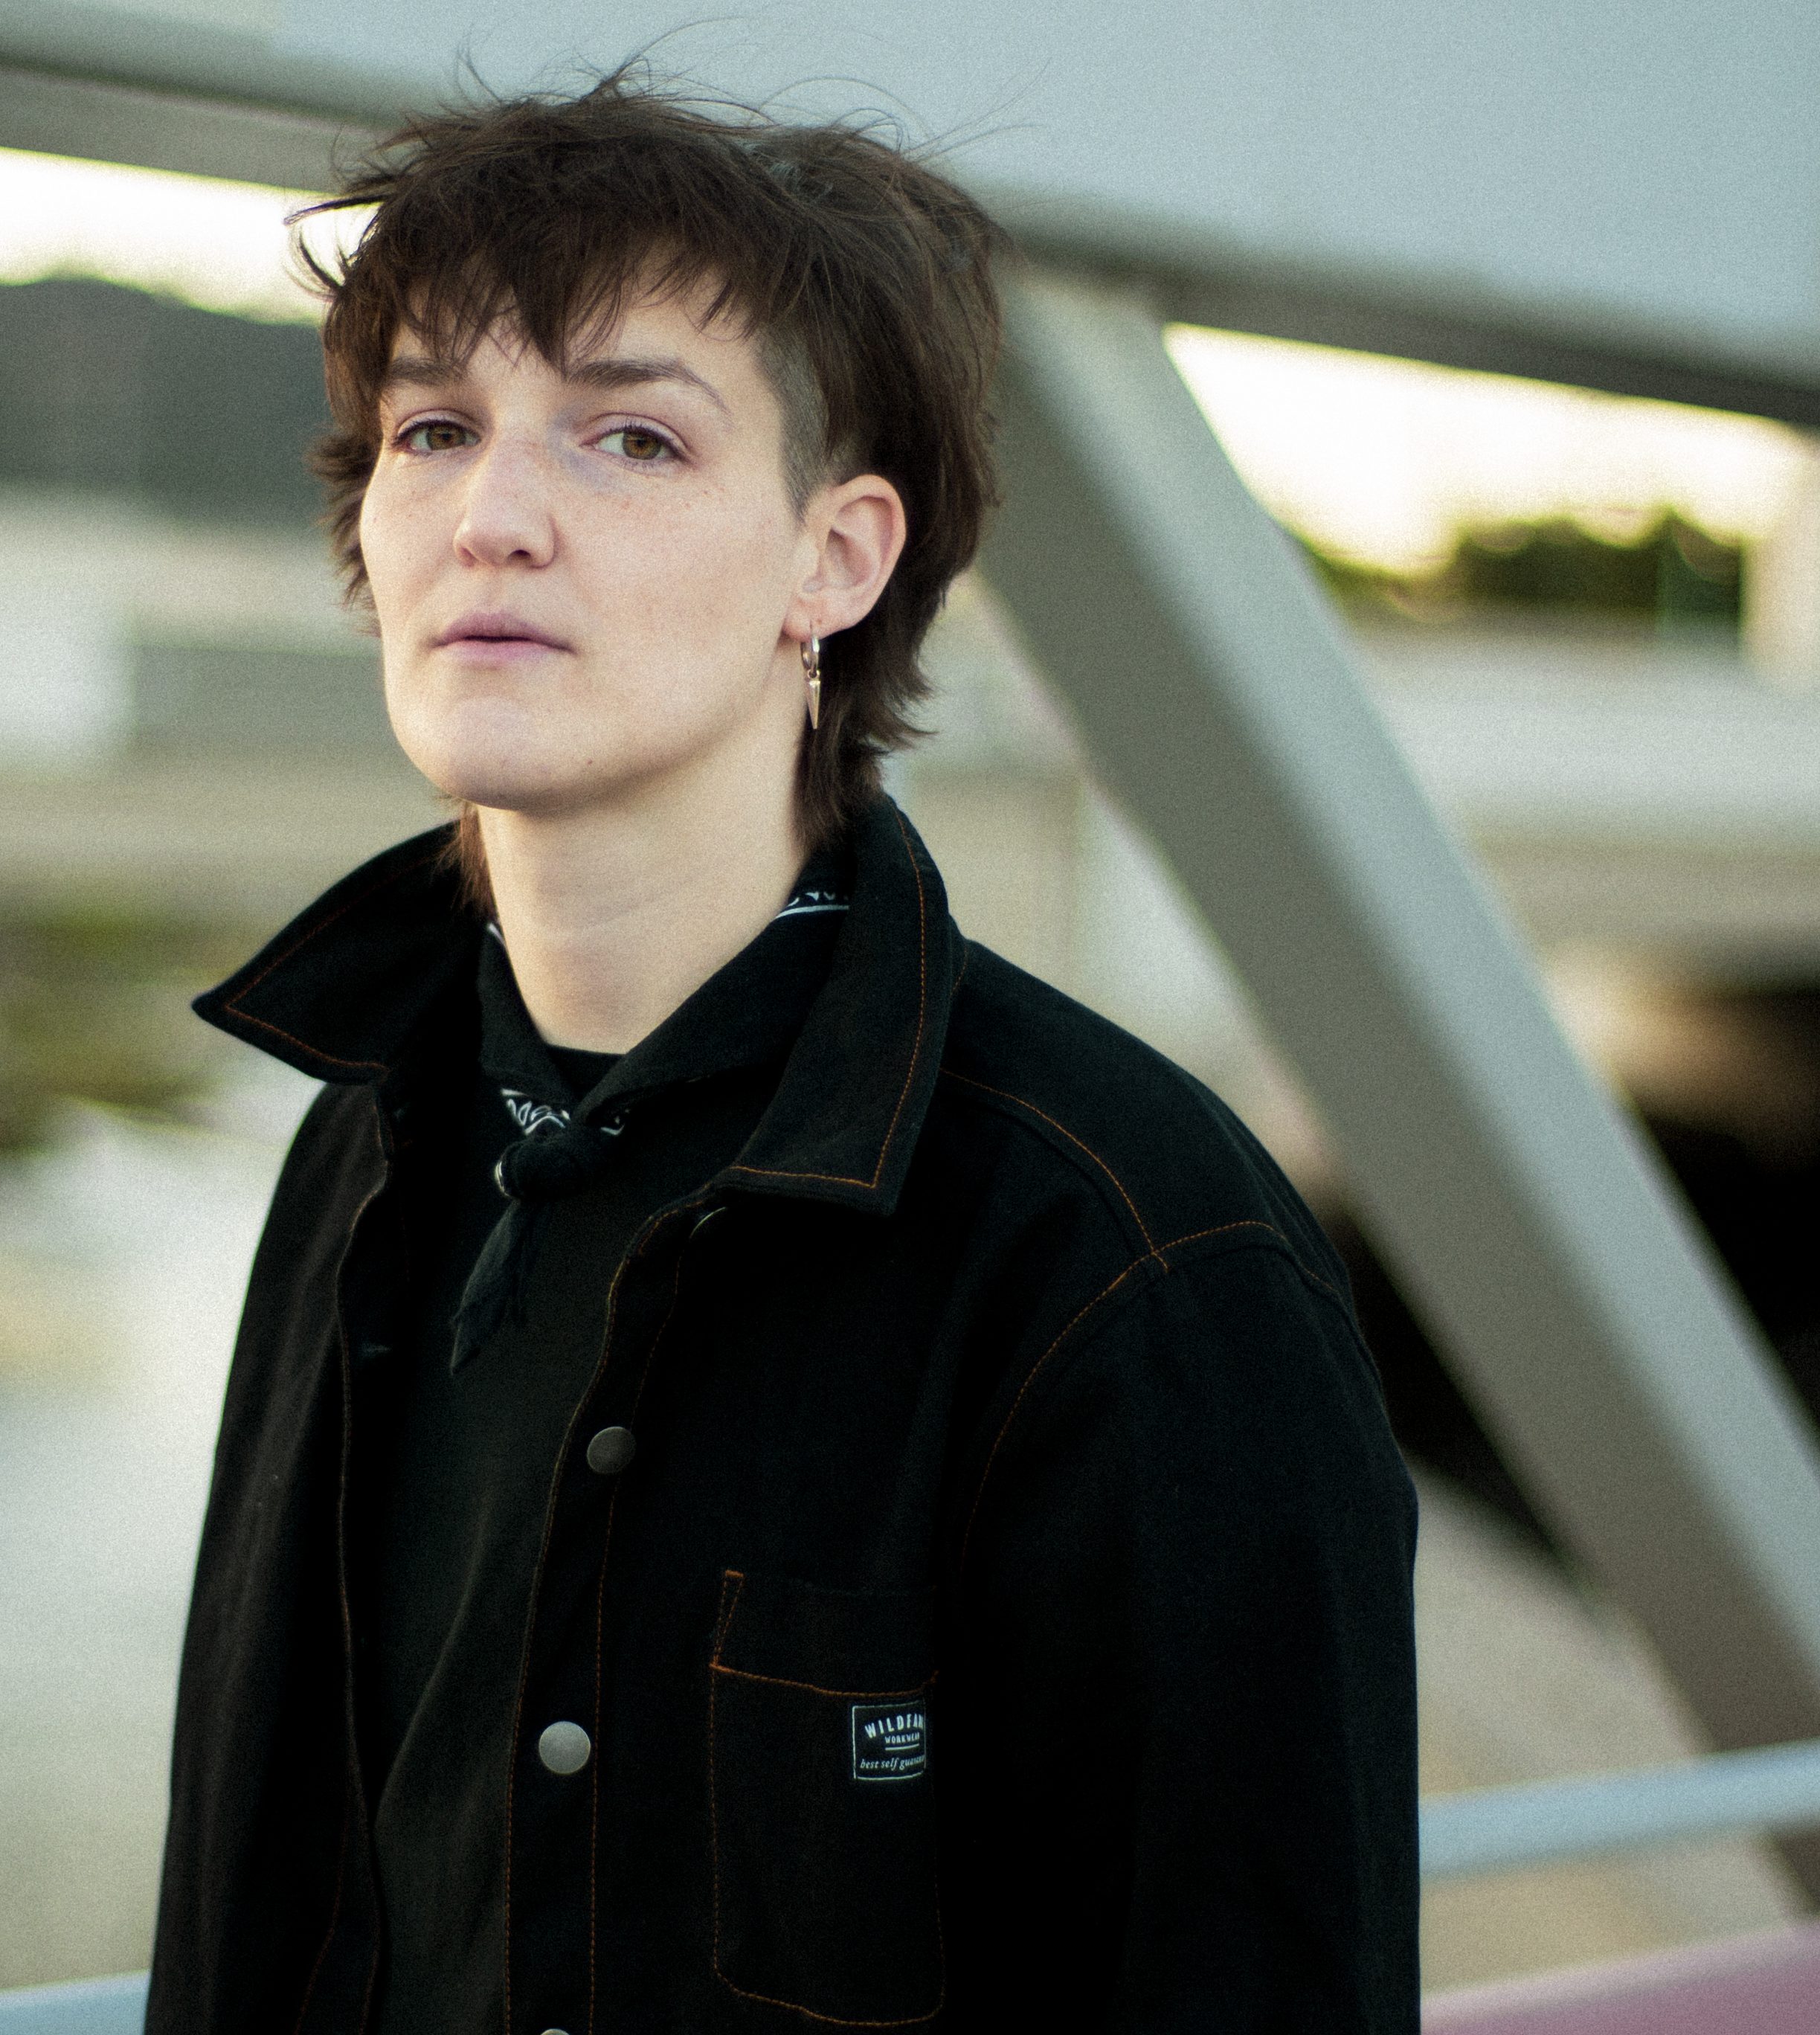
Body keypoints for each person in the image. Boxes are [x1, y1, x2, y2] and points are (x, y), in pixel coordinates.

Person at [152, 74, 1418, 2035]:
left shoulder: (1128, 1257)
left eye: (630, 437)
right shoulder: (375, 1138)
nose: (492, 517)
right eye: (431, 429)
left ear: (834, 562)